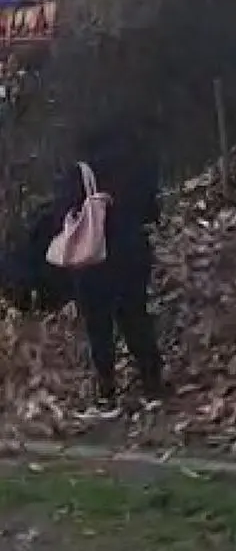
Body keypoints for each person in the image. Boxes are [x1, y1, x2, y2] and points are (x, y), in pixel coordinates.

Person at [52, 122, 165, 419]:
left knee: (98, 326)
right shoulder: (138, 167)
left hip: (93, 260)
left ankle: (107, 392)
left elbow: (61, 212)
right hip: (132, 253)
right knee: (136, 316)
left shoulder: (81, 171)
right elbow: (153, 211)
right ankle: (152, 384)